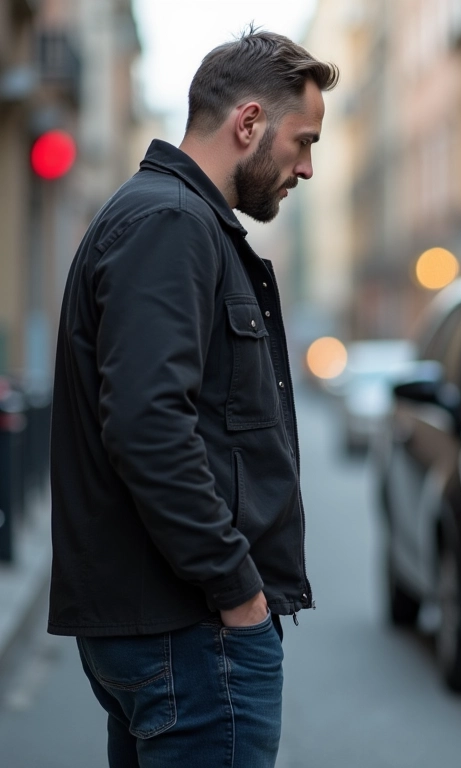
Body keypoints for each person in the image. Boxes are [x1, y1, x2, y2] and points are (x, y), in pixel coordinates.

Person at [47, 27, 338, 768]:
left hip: (170, 626)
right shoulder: (171, 223)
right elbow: (147, 426)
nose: (307, 168)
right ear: (249, 122)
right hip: (192, 630)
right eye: (303, 142)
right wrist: (239, 593)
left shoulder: (173, 218)